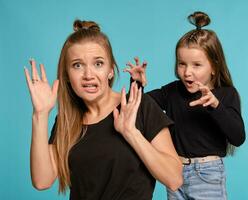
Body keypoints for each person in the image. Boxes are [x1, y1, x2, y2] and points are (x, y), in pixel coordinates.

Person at [24, 20, 183, 200]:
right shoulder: (66, 121)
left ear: (110, 71)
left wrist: (131, 132)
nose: (88, 75)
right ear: (67, 76)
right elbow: (42, 181)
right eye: (77, 65)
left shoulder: (138, 105)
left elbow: (174, 179)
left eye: (98, 64)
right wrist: (40, 114)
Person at [125, 11, 246, 200]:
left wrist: (215, 105)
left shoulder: (226, 94)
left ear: (214, 66)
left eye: (197, 65)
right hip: (176, 172)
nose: (187, 72)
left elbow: (238, 137)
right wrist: (137, 84)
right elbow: (137, 106)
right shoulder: (172, 91)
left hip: (208, 174)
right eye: (182, 64)